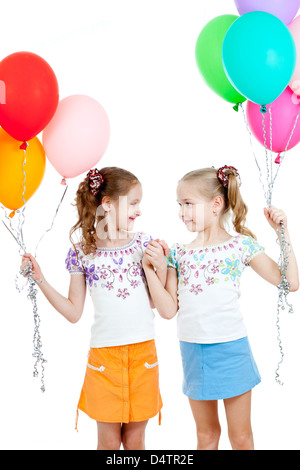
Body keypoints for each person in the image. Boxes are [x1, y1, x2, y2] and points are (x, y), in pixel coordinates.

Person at [142, 165, 299, 451]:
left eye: (188, 204)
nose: (181, 212)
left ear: (216, 204)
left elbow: (289, 282)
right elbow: (167, 310)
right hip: (194, 351)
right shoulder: (178, 253)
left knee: (240, 438)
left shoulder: (241, 245)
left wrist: (282, 232)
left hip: (232, 350)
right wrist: (156, 269)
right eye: (179, 204)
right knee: (206, 437)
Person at [20, 166, 166, 451]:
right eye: (133, 203)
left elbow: (155, 303)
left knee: (135, 441)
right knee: (109, 443)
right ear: (108, 205)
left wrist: (159, 266)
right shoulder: (82, 252)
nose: (139, 210)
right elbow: (74, 312)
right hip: (104, 359)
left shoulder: (145, 245)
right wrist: (40, 279)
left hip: (142, 355)